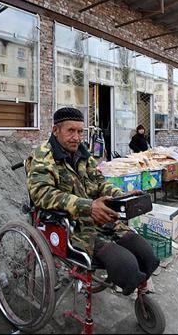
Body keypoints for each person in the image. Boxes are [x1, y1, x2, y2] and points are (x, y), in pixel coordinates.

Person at [26, 107, 159, 296]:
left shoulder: (83, 154)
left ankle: (142, 300)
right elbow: (41, 194)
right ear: (56, 131)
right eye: (70, 131)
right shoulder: (43, 157)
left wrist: (121, 195)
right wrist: (88, 206)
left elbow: (98, 183)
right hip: (70, 226)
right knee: (126, 265)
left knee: (147, 255)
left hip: (99, 217)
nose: (77, 137)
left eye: (80, 131)